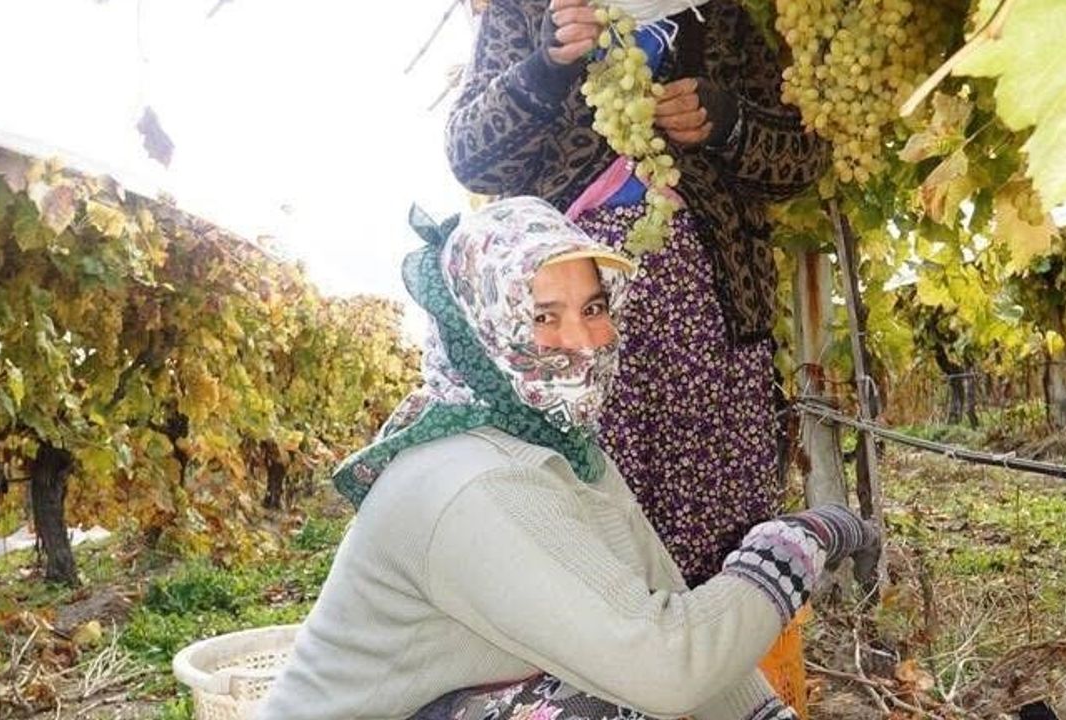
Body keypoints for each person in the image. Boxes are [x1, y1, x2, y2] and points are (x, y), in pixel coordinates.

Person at [258, 197, 877, 720]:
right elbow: (666, 668)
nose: (583, 341)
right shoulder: (469, 482)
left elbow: (658, 598)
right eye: (541, 317)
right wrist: (796, 543)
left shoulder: (562, 450)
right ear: (481, 328)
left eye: (593, 308)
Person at [445, 0, 830, 589]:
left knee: (719, 528)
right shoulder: (523, 9)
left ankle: (721, 671)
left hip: (711, 320)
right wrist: (545, 67)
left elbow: (803, 157)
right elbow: (471, 157)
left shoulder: (726, 12)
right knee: (582, 530)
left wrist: (729, 122)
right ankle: (597, 674)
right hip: (565, 324)